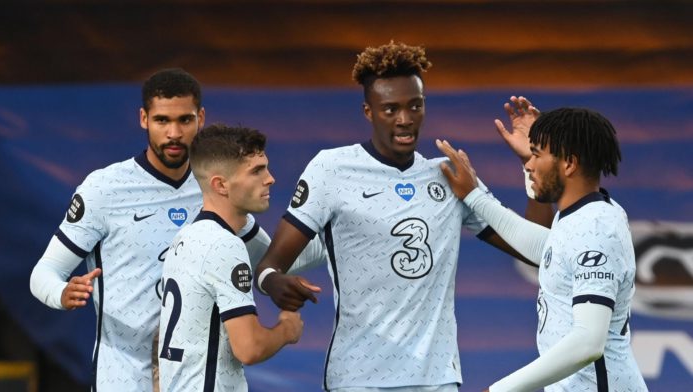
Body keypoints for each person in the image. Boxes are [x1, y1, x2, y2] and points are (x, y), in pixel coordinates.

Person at [254, 41, 551, 391]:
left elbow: (536, 248)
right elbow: (271, 264)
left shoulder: (449, 173)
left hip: (437, 378)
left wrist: (534, 163)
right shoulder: (331, 170)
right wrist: (273, 283)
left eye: (415, 106)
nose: (405, 119)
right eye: (390, 109)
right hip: (358, 378)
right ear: (368, 111)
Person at [29, 68, 323, 391]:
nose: (174, 133)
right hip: (124, 378)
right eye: (162, 121)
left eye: (185, 120)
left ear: (201, 118)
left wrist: (337, 234)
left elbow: (273, 258)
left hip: (189, 379)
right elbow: (44, 272)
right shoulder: (105, 190)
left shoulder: (215, 191)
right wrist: (61, 293)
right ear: (143, 119)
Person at [436, 107, 647, 391]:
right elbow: (541, 247)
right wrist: (474, 196)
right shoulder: (580, 216)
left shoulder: (597, 228)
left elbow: (588, 343)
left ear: (569, 163)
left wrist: (500, 390)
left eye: (536, 155)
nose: (528, 165)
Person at [158, 124, 303, 391]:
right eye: (257, 170)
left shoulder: (186, 236)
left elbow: (281, 257)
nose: (270, 178)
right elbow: (249, 348)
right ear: (220, 185)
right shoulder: (224, 245)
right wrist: (287, 329)